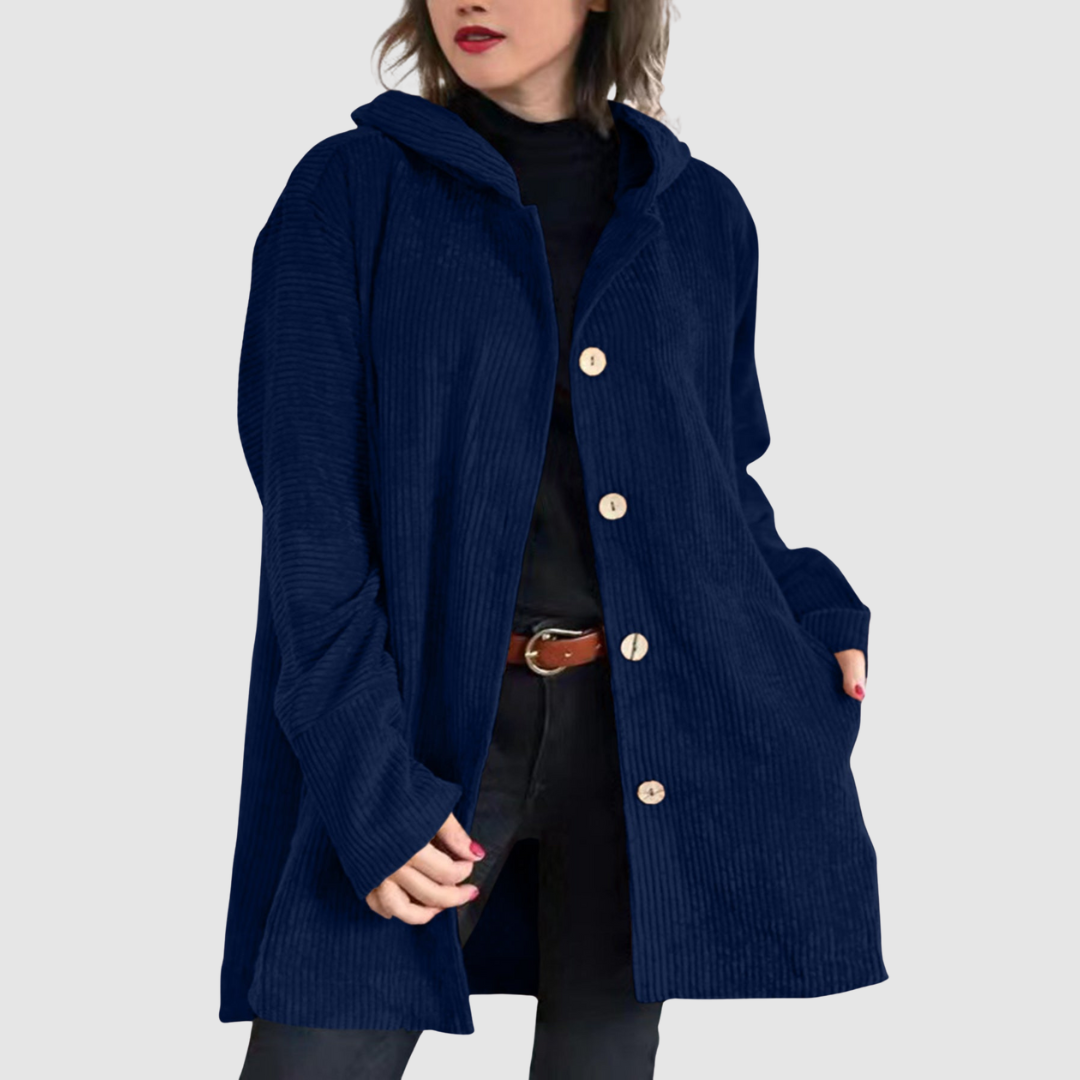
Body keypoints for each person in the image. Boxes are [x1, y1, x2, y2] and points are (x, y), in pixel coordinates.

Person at [221, 1, 886, 1077]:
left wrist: (811, 604)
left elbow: (718, 479)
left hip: (640, 735)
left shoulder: (699, 213)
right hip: (424, 729)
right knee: (320, 1047)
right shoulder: (351, 191)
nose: (469, 2)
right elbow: (311, 522)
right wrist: (367, 783)